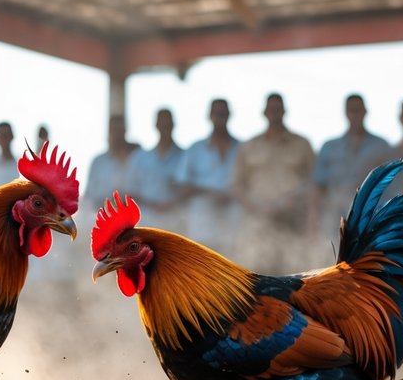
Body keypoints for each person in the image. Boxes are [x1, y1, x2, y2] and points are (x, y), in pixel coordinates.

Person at [232, 93, 313, 271]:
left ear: (284, 111)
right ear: (264, 112)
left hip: (292, 221)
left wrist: (295, 200)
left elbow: (313, 182)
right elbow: (237, 185)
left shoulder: (302, 144)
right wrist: (255, 207)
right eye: (271, 109)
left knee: (293, 273)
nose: (274, 113)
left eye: (278, 109)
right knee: (258, 273)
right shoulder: (249, 146)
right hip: (258, 224)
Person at [311, 94, 393, 238]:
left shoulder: (381, 146)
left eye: (358, 110)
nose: (355, 115)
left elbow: (392, 185)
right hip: (333, 221)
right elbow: (318, 187)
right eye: (352, 110)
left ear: (365, 111)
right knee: (330, 251)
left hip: (369, 219)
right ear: (346, 113)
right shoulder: (329, 147)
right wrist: (312, 222)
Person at [176, 98, 241, 254]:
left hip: (234, 223)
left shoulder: (242, 148)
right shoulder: (195, 149)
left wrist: (234, 193)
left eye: (223, 113)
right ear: (210, 116)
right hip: (202, 224)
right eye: (217, 113)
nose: (220, 117)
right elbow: (182, 187)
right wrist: (210, 192)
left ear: (229, 115)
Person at [125, 108, 185, 232]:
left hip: (177, 224)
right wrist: (153, 205)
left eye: (167, 124)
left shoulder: (185, 157)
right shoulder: (139, 158)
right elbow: (130, 192)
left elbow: (190, 189)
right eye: (162, 123)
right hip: (147, 223)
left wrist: (172, 203)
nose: (164, 127)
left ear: (173, 125)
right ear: (156, 125)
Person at [85, 115, 138, 215]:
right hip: (100, 215)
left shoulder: (136, 162)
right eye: (114, 130)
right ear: (109, 132)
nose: (117, 135)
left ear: (125, 131)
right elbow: (89, 197)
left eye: (120, 131)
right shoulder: (98, 162)